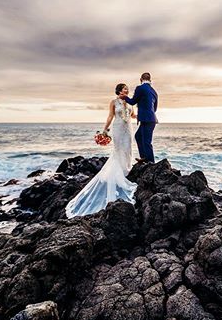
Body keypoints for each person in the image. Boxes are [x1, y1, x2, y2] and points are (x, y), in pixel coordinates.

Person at [66, 83, 137, 218]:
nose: (126, 91)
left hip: (128, 129)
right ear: (118, 91)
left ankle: (126, 169)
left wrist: (142, 117)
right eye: (124, 89)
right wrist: (105, 129)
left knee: (128, 149)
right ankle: (119, 173)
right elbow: (111, 116)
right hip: (117, 129)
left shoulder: (130, 103)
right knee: (118, 150)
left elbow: (133, 115)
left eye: (127, 89)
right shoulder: (113, 102)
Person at [120, 72, 158, 163]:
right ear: (150, 80)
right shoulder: (154, 92)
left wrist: (125, 97)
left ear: (141, 80)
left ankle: (151, 162)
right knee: (138, 136)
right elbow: (155, 108)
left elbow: (133, 101)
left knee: (146, 141)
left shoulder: (140, 88)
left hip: (147, 120)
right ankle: (144, 158)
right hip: (150, 119)